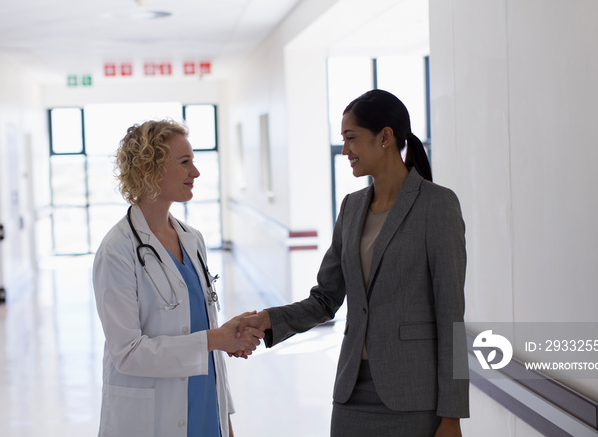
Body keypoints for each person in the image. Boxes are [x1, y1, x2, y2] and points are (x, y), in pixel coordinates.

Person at [237, 89, 469, 436]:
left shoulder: (437, 205)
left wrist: (451, 416)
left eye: (351, 138)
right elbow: (326, 298)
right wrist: (270, 319)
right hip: (351, 393)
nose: (345, 150)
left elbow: (451, 314)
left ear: (386, 137)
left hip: (415, 397)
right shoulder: (351, 207)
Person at [92, 119, 264, 437]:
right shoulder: (117, 250)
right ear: (148, 168)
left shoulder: (192, 240)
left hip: (205, 406)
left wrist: (225, 419)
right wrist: (216, 338)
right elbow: (127, 353)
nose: (195, 173)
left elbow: (202, 333)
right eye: (185, 163)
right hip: (152, 419)